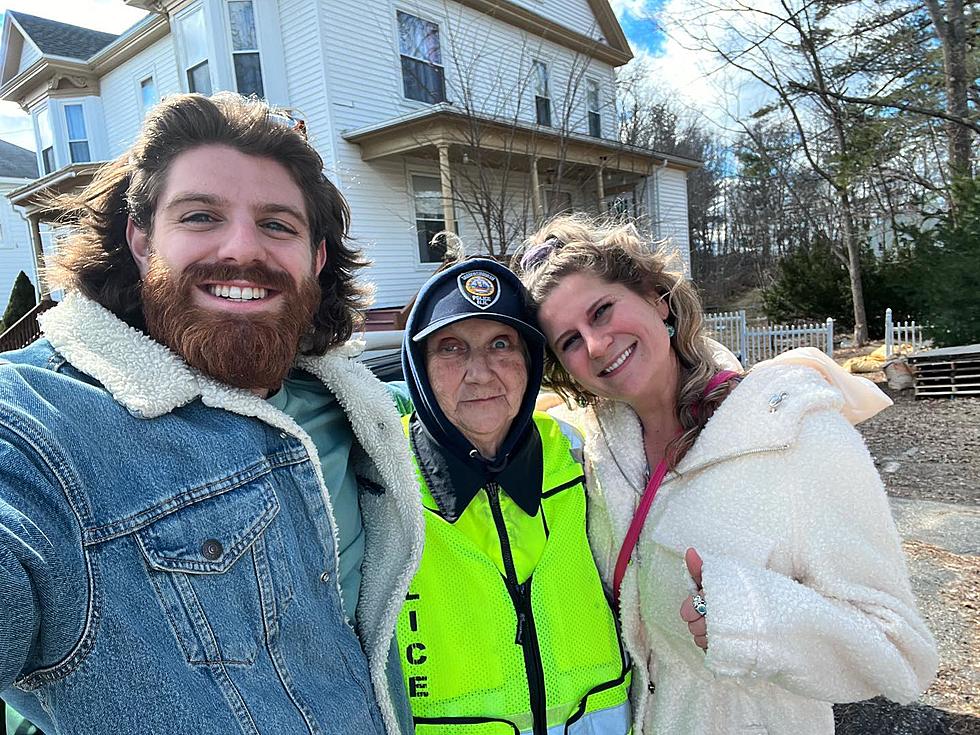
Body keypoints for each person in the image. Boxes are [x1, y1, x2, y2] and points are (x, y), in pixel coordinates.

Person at [0, 92, 423, 734]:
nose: (243, 248)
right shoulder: (42, 425)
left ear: (315, 259)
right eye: (201, 216)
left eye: (279, 224)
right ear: (141, 242)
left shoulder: (350, 405)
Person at [515, 215, 938, 735]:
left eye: (602, 311)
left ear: (655, 297)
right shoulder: (592, 451)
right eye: (570, 342)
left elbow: (900, 653)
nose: (597, 344)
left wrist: (755, 618)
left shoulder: (794, 434)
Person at [396, 257, 631, 735]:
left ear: (529, 361)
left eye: (501, 344)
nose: (480, 374)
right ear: (419, 368)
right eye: (451, 349)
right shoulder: (381, 476)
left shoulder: (583, 454)